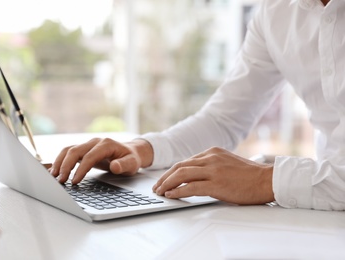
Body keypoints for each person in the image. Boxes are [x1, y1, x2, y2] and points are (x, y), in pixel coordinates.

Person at [49, 0, 345, 211]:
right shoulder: (275, 12)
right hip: (321, 212)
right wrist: (142, 150)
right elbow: (224, 120)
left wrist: (263, 179)